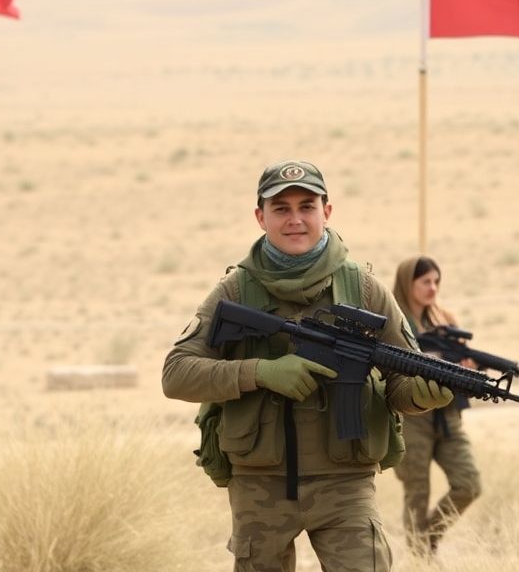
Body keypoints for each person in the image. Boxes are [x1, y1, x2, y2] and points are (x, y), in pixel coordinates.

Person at [161, 159, 454, 572]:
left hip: (345, 485)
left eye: (307, 206)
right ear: (261, 217)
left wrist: (421, 396)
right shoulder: (235, 290)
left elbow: (402, 378)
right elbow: (176, 373)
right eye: (281, 209)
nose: (295, 219)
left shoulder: (364, 288)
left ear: (327, 212)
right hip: (259, 485)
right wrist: (260, 372)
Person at [390, 256, 482, 556]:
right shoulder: (393, 321)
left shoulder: (446, 320)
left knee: (468, 485)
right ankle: (422, 558)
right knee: (417, 492)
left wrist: (467, 367)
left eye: (436, 281)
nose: (433, 288)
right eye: (425, 281)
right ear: (408, 283)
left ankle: (428, 539)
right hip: (411, 417)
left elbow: (463, 363)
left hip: (448, 414)